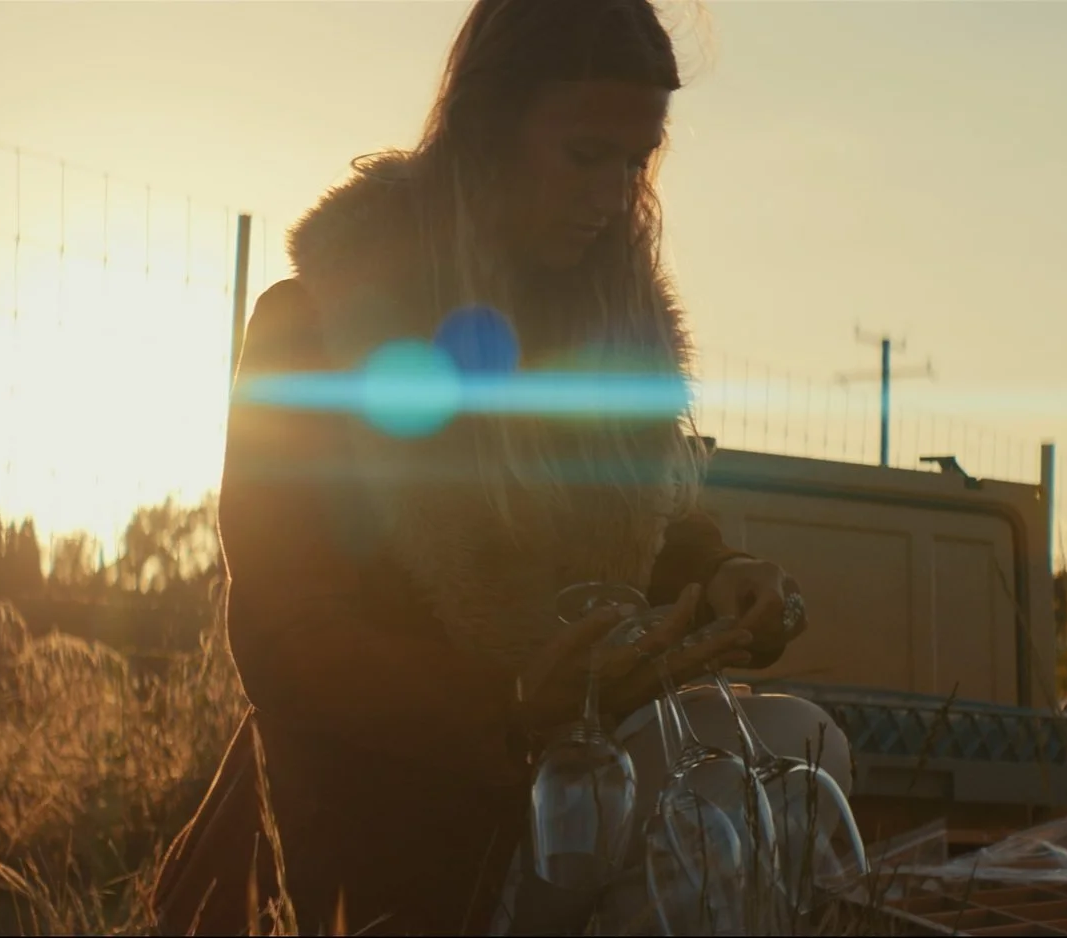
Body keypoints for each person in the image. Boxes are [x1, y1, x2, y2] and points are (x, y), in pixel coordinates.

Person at [152, 1, 850, 933]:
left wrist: (723, 576)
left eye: (635, 163)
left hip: (571, 772)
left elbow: (640, 522)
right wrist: (512, 707)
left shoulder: (604, 331)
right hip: (390, 815)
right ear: (486, 132)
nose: (613, 195)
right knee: (716, 828)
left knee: (801, 755)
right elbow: (284, 636)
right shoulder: (317, 328)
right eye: (584, 154)